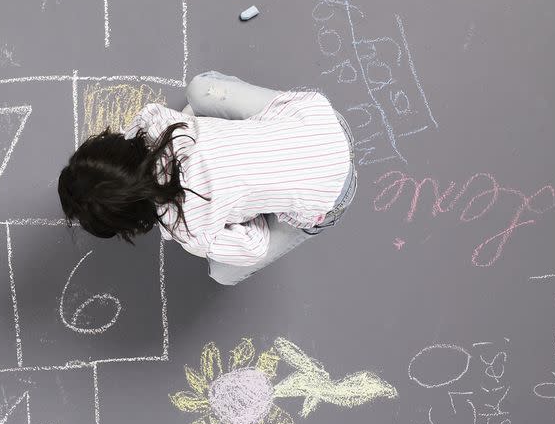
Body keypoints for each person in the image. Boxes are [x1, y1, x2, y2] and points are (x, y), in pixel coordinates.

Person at [57, 70, 356, 286]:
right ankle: (255, 165)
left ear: (130, 222)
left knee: (223, 273)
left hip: (334, 190)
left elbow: (255, 245)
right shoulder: (157, 121)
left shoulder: (189, 229)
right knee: (200, 90)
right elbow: (131, 137)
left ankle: (269, 193)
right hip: (319, 121)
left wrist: (235, 206)